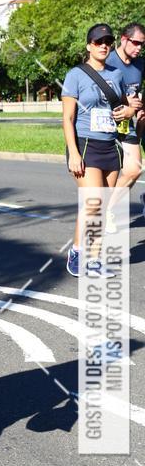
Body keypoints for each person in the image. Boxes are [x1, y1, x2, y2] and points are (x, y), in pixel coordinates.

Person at [62, 23, 137, 276]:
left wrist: (129, 111)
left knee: (102, 206)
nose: (104, 45)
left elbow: (126, 106)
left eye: (107, 41)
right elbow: (67, 118)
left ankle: (94, 261)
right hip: (85, 145)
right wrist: (73, 152)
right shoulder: (76, 74)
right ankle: (77, 251)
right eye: (98, 42)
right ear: (88, 46)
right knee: (93, 202)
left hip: (110, 145)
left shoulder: (116, 74)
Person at [104, 22, 144, 224]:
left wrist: (140, 109)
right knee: (108, 176)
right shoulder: (107, 61)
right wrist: (125, 102)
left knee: (134, 169)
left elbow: (137, 94)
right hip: (104, 125)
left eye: (142, 45)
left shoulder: (140, 65)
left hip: (126, 124)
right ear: (123, 39)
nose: (139, 48)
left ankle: (108, 209)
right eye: (135, 43)